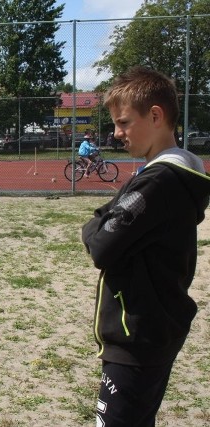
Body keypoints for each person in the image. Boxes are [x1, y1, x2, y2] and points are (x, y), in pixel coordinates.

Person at [82, 66, 210, 427]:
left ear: (155, 115)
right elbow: (105, 218)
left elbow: (102, 246)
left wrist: (96, 225)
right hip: (151, 331)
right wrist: (102, 220)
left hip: (137, 335)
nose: (117, 133)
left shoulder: (160, 180)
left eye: (123, 123)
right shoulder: (166, 174)